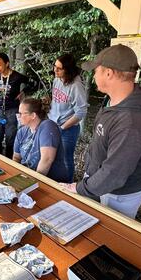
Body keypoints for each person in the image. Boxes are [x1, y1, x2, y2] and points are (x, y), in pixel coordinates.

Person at [61, 44, 141, 219]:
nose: (94, 75)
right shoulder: (113, 101)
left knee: (113, 232)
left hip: (120, 191)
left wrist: (81, 188)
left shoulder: (131, 121)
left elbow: (115, 173)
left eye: (96, 70)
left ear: (109, 73)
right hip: (102, 181)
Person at [48, 54, 88, 183]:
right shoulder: (57, 80)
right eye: (55, 66)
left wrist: (63, 127)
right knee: (51, 155)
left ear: (68, 70)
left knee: (66, 159)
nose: (55, 70)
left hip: (68, 128)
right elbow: (57, 101)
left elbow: (81, 111)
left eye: (59, 68)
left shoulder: (76, 85)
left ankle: (68, 184)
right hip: (53, 123)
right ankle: (54, 180)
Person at [0, 53, 36, 158]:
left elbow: (33, 82)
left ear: (7, 64)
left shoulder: (16, 76)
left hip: (13, 109)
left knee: (11, 137)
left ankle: (9, 160)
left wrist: (23, 91)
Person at [13, 98, 68, 181]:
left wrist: (32, 183)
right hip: (26, 176)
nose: (18, 116)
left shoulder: (48, 126)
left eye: (21, 114)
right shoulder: (22, 131)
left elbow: (47, 160)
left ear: (33, 115)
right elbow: (16, 157)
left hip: (50, 181)